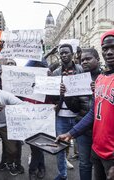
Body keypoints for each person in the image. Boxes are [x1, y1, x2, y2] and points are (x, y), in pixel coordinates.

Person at [56, 29, 114, 180]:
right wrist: (70, 134)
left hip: (111, 154)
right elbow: (93, 113)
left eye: (113, 48)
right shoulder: (102, 79)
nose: (109, 52)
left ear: (96, 59)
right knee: (85, 165)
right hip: (97, 147)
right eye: (106, 49)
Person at [64, 48, 102, 180]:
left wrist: (97, 92)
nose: (84, 62)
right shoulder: (77, 80)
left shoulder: (106, 79)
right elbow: (74, 109)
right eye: (82, 60)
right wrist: (66, 95)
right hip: (83, 131)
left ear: (97, 60)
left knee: (102, 166)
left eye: (88, 59)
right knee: (85, 164)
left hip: (102, 131)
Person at [51, 43, 83, 180]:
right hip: (61, 116)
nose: (64, 55)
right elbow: (51, 95)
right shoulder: (55, 73)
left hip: (78, 116)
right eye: (61, 53)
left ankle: (84, 176)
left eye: (66, 52)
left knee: (82, 149)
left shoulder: (80, 70)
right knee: (60, 147)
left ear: (72, 54)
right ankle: (62, 175)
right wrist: (57, 93)